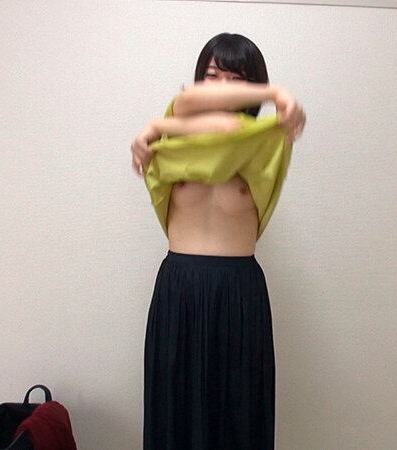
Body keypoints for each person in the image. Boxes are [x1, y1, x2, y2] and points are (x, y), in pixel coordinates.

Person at [131, 33, 306, 449]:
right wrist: (159, 125)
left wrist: (155, 128)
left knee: (237, 421)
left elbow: (229, 127)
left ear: (252, 86)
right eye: (212, 76)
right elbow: (192, 105)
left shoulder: (267, 141)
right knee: (175, 416)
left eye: (237, 78)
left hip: (238, 292)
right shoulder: (175, 129)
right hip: (179, 290)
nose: (222, 87)